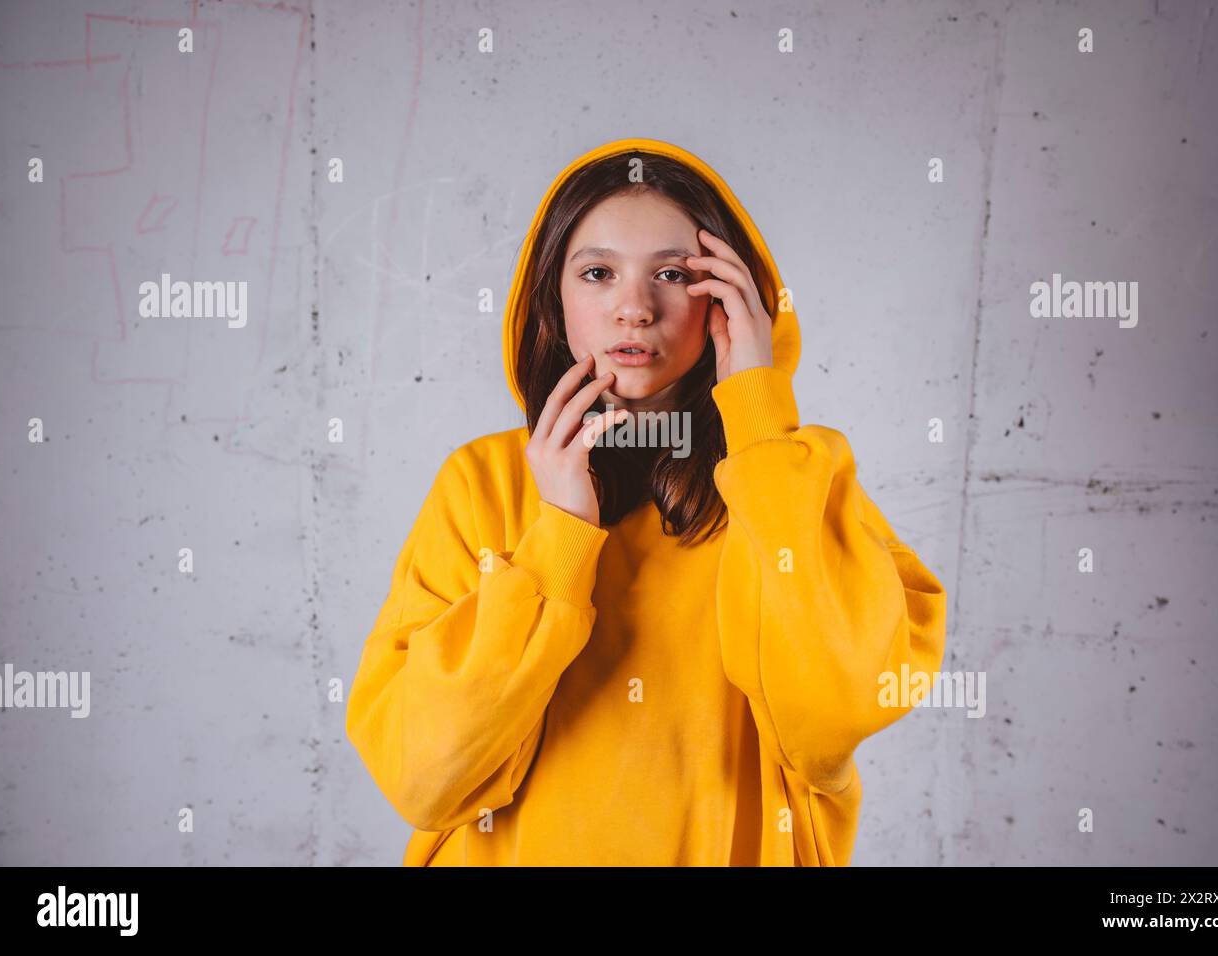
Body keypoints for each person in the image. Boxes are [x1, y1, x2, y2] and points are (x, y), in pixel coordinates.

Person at [345, 136, 948, 866]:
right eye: (598, 272)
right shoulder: (482, 482)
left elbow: (831, 719)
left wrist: (758, 421)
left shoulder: (792, 478)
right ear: (552, 299)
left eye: (673, 273)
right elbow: (424, 778)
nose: (634, 308)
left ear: (730, 297)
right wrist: (559, 536)